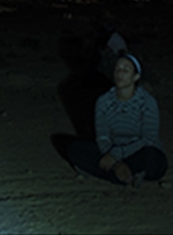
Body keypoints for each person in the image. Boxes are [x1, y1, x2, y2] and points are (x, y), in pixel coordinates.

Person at [66, 52, 167, 187]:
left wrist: (116, 155)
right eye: (118, 69)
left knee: (154, 159)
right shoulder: (103, 101)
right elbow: (102, 138)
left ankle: (117, 174)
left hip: (138, 151)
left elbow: (148, 138)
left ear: (136, 77)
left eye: (126, 70)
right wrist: (116, 163)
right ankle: (127, 174)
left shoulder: (147, 102)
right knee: (74, 149)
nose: (120, 73)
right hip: (112, 152)